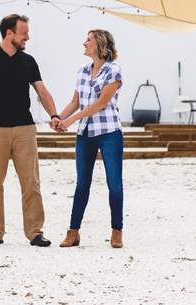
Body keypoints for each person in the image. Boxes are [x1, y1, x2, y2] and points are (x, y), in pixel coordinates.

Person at [0, 14, 63, 247]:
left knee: (31, 182)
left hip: (24, 129)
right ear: (10, 33)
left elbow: (42, 91)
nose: (28, 37)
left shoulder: (28, 61)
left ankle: (35, 232)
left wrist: (54, 115)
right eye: (24, 33)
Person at [54, 28, 124, 249]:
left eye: (88, 40)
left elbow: (100, 104)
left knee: (114, 185)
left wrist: (71, 120)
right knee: (82, 184)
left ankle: (117, 231)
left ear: (100, 44)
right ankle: (73, 232)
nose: (84, 43)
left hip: (109, 132)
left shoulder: (114, 71)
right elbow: (76, 102)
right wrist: (58, 118)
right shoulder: (82, 71)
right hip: (85, 133)